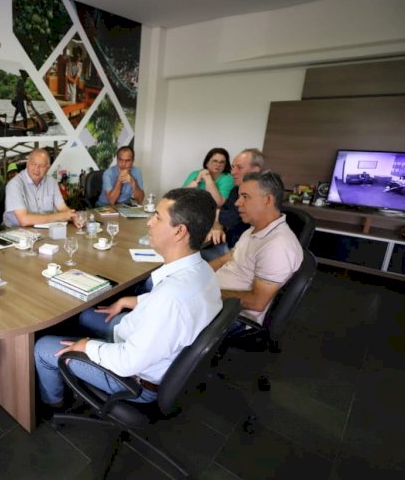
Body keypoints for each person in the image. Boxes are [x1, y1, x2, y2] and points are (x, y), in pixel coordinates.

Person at [34, 188, 221, 410]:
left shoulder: (170, 300)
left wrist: (88, 346)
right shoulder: (203, 271)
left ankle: (55, 404)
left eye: (157, 217)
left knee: (43, 348)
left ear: (180, 231)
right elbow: (163, 305)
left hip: (135, 382)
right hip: (141, 340)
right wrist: (128, 301)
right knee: (85, 315)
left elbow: (127, 362)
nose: (149, 222)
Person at [210, 171, 303, 330]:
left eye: (245, 196)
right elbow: (224, 259)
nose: (237, 203)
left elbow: (256, 303)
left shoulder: (278, 246)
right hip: (215, 299)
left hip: (232, 316)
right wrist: (196, 274)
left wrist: (206, 292)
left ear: (267, 200)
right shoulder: (252, 230)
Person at [203, 148, 264, 261]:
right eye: (233, 167)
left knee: (193, 257)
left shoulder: (260, 192)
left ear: (255, 170)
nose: (233, 172)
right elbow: (223, 212)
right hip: (227, 243)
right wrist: (218, 227)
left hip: (240, 254)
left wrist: (213, 213)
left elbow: (230, 218)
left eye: (239, 168)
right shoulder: (236, 189)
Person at [3, 148, 76, 227]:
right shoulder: (14, 184)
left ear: (48, 168)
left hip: (45, 230)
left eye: (41, 166)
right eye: (33, 164)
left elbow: (63, 208)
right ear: (27, 164)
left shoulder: (51, 181)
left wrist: (74, 216)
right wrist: (60, 216)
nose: (36, 169)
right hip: (16, 232)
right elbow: (24, 220)